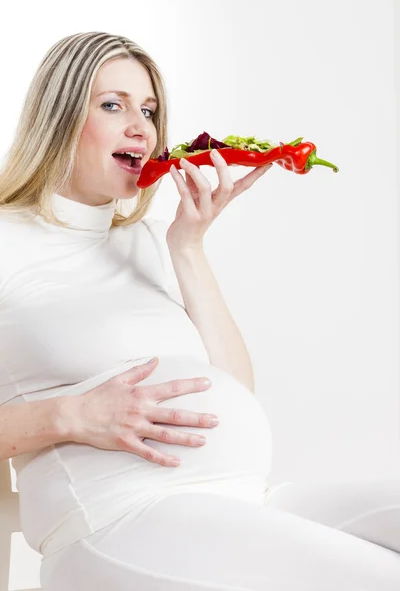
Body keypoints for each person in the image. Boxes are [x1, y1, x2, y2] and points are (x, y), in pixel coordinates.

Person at [0, 31, 399, 591]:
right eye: (112, 106)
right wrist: (72, 416)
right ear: (58, 115)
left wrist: (188, 247)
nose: (141, 127)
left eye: (150, 110)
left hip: (239, 498)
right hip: (119, 518)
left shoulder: (149, 240)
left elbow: (233, 385)